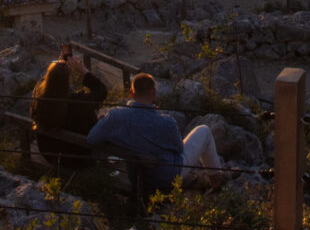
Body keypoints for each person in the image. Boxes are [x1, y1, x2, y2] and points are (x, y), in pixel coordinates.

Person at [86, 72, 221, 193]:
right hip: (168, 178)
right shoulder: (166, 122)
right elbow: (178, 149)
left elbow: (92, 138)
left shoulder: (115, 116)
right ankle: (216, 183)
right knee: (204, 131)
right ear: (154, 94)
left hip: (136, 178)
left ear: (132, 94)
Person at [30, 51, 108, 167]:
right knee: (105, 120)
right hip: (77, 158)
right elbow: (101, 91)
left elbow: (43, 84)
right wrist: (83, 71)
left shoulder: (40, 99)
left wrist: (58, 68)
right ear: (68, 80)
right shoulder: (77, 103)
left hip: (48, 153)